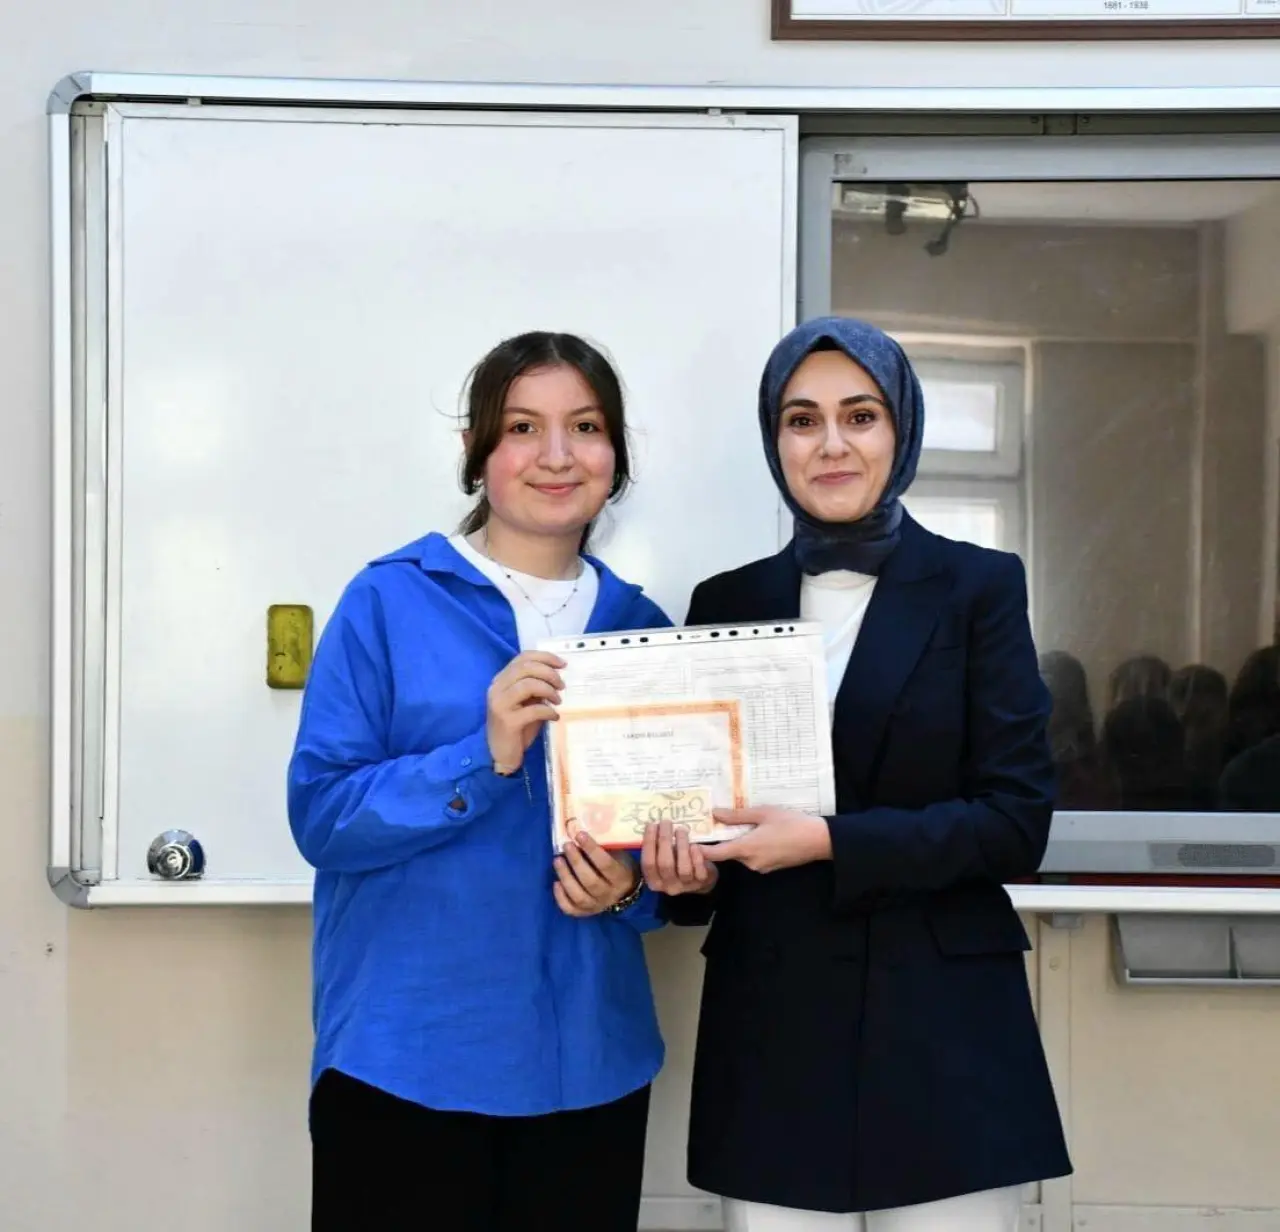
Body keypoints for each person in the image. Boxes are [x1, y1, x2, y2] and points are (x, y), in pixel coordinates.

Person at [643, 316, 1072, 1232]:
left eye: (860, 415)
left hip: (944, 1029)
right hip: (775, 1024)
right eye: (802, 420)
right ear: (775, 441)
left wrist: (828, 843)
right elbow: (711, 824)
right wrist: (685, 874)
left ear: (900, 430)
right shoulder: (726, 602)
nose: (831, 443)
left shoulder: (980, 586)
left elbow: (1015, 824)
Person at [288, 331, 699, 1232]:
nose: (556, 455)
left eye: (585, 427)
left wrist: (634, 889)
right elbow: (321, 818)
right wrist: (485, 752)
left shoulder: (645, 629)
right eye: (522, 427)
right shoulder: (388, 599)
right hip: (405, 1064)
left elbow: (663, 866)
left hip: (589, 1067)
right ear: (478, 453)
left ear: (615, 457)